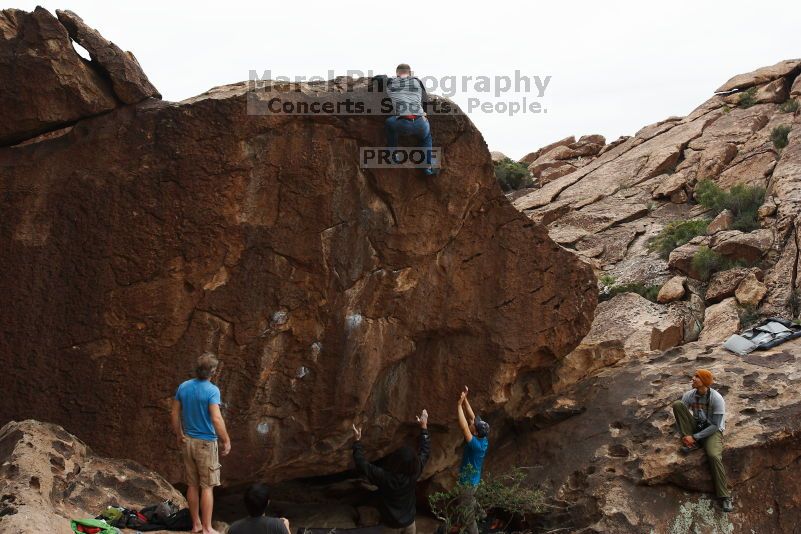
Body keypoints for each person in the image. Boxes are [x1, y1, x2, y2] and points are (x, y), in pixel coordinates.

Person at [171, 353, 232, 534]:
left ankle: (196, 524)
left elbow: (174, 413)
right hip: (205, 443)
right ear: (213, 371)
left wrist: (179, 434)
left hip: (188, 441)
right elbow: (216, 418)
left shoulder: (184, 386)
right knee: (207, 486)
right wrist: (226, 440)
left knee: (192, 484)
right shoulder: (212, 390)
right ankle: (206, 528)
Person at [352, 409, 431, 533]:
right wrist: (424, 426)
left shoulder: (384, 477)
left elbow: (362, 465)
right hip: (409, 523)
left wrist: (357, 441)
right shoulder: (415, 473)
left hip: (390, 526)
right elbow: (425, 452)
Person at [671, 369, 733, 513]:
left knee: (713, 456)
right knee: (678, 405)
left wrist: (696, 436)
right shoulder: (690, 395)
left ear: (704, 382)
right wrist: (686, 433)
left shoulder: (716, 398)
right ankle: (691, 443)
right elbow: (683, 414)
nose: (692, 379)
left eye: (696, 377)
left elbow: (716, 425)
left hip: (712, 431)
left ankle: (725, 497)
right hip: (697, 426)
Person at [374, 63, 435, 175]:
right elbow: (425, 99)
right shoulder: (417, 81)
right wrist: (424, 112)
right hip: (420, 122)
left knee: (389, 123)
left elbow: (378, 78)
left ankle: (393, 156)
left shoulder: (391, 82)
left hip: (402, 123)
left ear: (397, 73)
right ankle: (427, 167)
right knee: (426, 137)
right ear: (410, 73)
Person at [457, 386, 489, 534]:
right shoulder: (483, 438)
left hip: (467, 484)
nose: (472, 423)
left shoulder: (476, 445)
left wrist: (458, 405)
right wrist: (465, 399)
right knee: (470, 499)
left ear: (475, 432)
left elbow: (464, 427)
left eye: (474, 426)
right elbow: (472, 416)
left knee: (468, 516)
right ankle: (482, 513)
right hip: (474, 481)